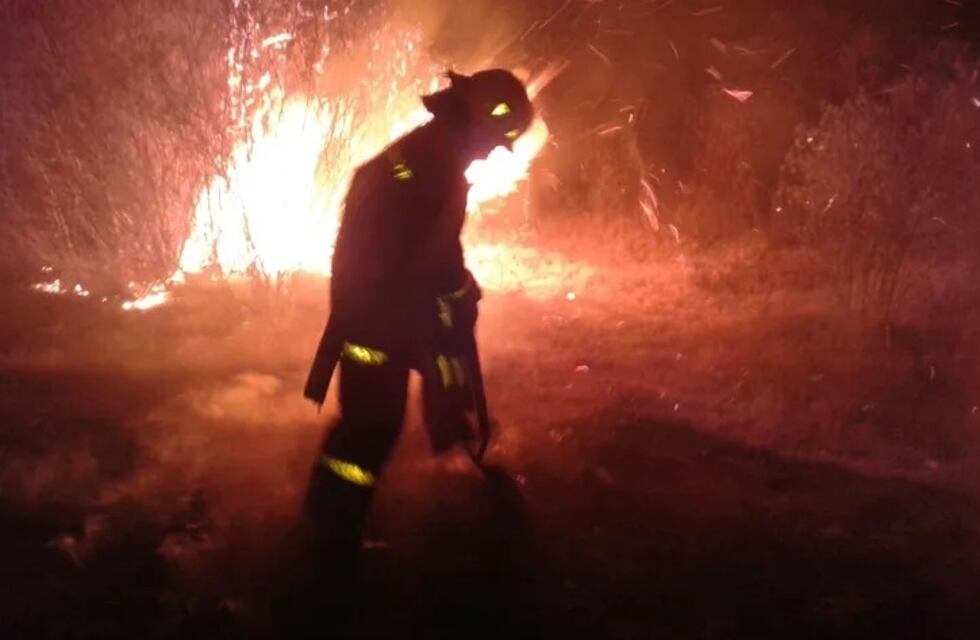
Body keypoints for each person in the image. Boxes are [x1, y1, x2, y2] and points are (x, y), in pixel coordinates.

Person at [302, 69, 534, 569]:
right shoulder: (433, 165)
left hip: (372, 308)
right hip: (376, 316)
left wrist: (455, 288)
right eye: (493, 140)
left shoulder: (428, 153)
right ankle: (329, 541)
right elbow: (425, 258)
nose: (491, 153)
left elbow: (428, 246)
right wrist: (457, 290)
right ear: (476, 121)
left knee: (371, 425)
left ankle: (330, 526)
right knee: (370, 429)